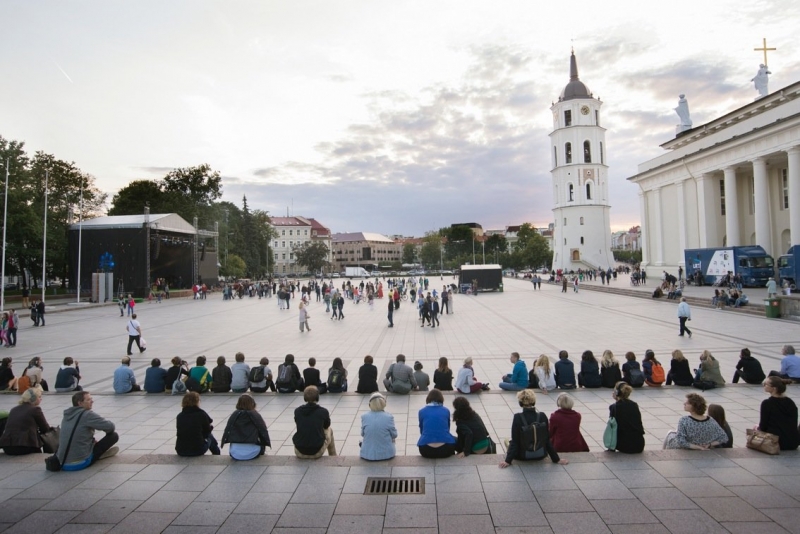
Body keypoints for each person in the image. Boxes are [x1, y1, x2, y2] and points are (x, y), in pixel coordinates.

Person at [499, 389, 568, 467]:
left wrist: (507, 461)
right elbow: (546, 440)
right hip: (541, 454)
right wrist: (556, 459)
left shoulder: (518, 417)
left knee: (507, 441)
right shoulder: (542, 416)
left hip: (522, 456)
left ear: (520, 403)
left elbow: (515, 441)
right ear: (534, 401)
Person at [56, 391, 119, 470]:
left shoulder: (67, 415)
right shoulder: (87, 415)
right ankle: (97, 454)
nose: (92, 401)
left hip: (62, 462)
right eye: (89, 400)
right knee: (113, 436)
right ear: (80, 403)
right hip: (80, 462)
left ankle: (91, 449)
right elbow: (110, 427)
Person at [663, 393, 729, 450]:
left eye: (687, 403)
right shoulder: (710, 419)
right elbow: (724, 437)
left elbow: (681, 441)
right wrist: (709, 445)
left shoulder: (684, 420)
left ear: (694, 407)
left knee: (670, 435)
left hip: (688, 447)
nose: (684, 404)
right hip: (704, 445)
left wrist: (697, 447)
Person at [0, 386, 50, 455]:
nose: (41, 399)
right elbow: (45, 428)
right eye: (39, 397)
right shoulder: (35, 409)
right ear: (33, 398)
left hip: (7, 447)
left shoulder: (14, 409)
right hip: (23, 446)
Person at [221, 394, 271, 460]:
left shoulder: (234, 415)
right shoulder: (255, 415)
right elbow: (263, 431)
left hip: (235, 453)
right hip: (253, 453)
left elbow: (227, 430)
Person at [293, 385, 337, 458]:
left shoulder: (297, 411)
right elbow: (326, 425)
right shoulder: (323, 411)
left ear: (304, 398)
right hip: (316, 452)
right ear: (317, 397)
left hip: (299, 451)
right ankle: (333, 456)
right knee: (330, 430)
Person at [758, 376, 800, 450]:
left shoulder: (767, 403)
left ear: (774, 388)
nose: (764, 385)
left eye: (766, 384)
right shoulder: (790, 403)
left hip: (775, 442)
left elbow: (763, 425)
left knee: (756, 428)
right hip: (793, 443)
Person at [175, 392, 221, 456]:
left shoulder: (180, 416)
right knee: (210, 436)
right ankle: (217, 454)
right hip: (197, 450)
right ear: (197, 402)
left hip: (181, 450)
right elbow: (207, 431)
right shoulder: (201, 414)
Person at [417, 389, 456, 458]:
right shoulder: (446, 410)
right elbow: (447, 429)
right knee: (454, 439)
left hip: (426, 450)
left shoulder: (422, 411)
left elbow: (422, 430)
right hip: (445, 449)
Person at [608, 382, 645, 453]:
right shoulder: (634, 405)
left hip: (625, 445)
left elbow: (612, 428)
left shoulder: (614, 407)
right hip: (639, 444)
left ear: (616, 392)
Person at [360, 392, 398, 461]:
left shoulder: (364, 416)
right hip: (387, 454)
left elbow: (362, 434)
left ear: (370, 404)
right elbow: (394, 435)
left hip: (367, 455)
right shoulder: (389, 417)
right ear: (384, 403)